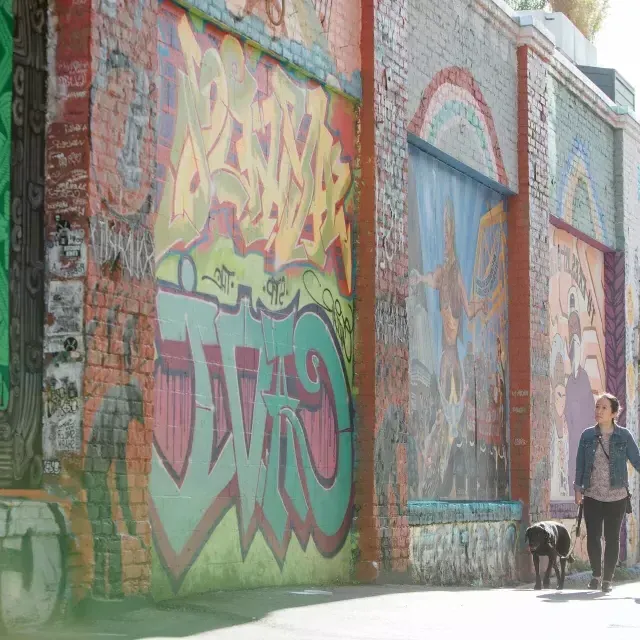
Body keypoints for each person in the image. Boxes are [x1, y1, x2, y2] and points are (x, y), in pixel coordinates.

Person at [574, 393, 640, 592]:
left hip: (616, 496)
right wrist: (578, 489)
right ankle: (595, 575)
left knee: (612, 538)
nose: (598, 411)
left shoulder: (624, 436)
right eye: (597, 407)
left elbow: (636, 460)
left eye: (603, 408)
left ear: (613, 412)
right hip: (592, 494)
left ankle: (607, 580)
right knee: (593, 536)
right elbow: (580, 465)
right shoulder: (587, 435)